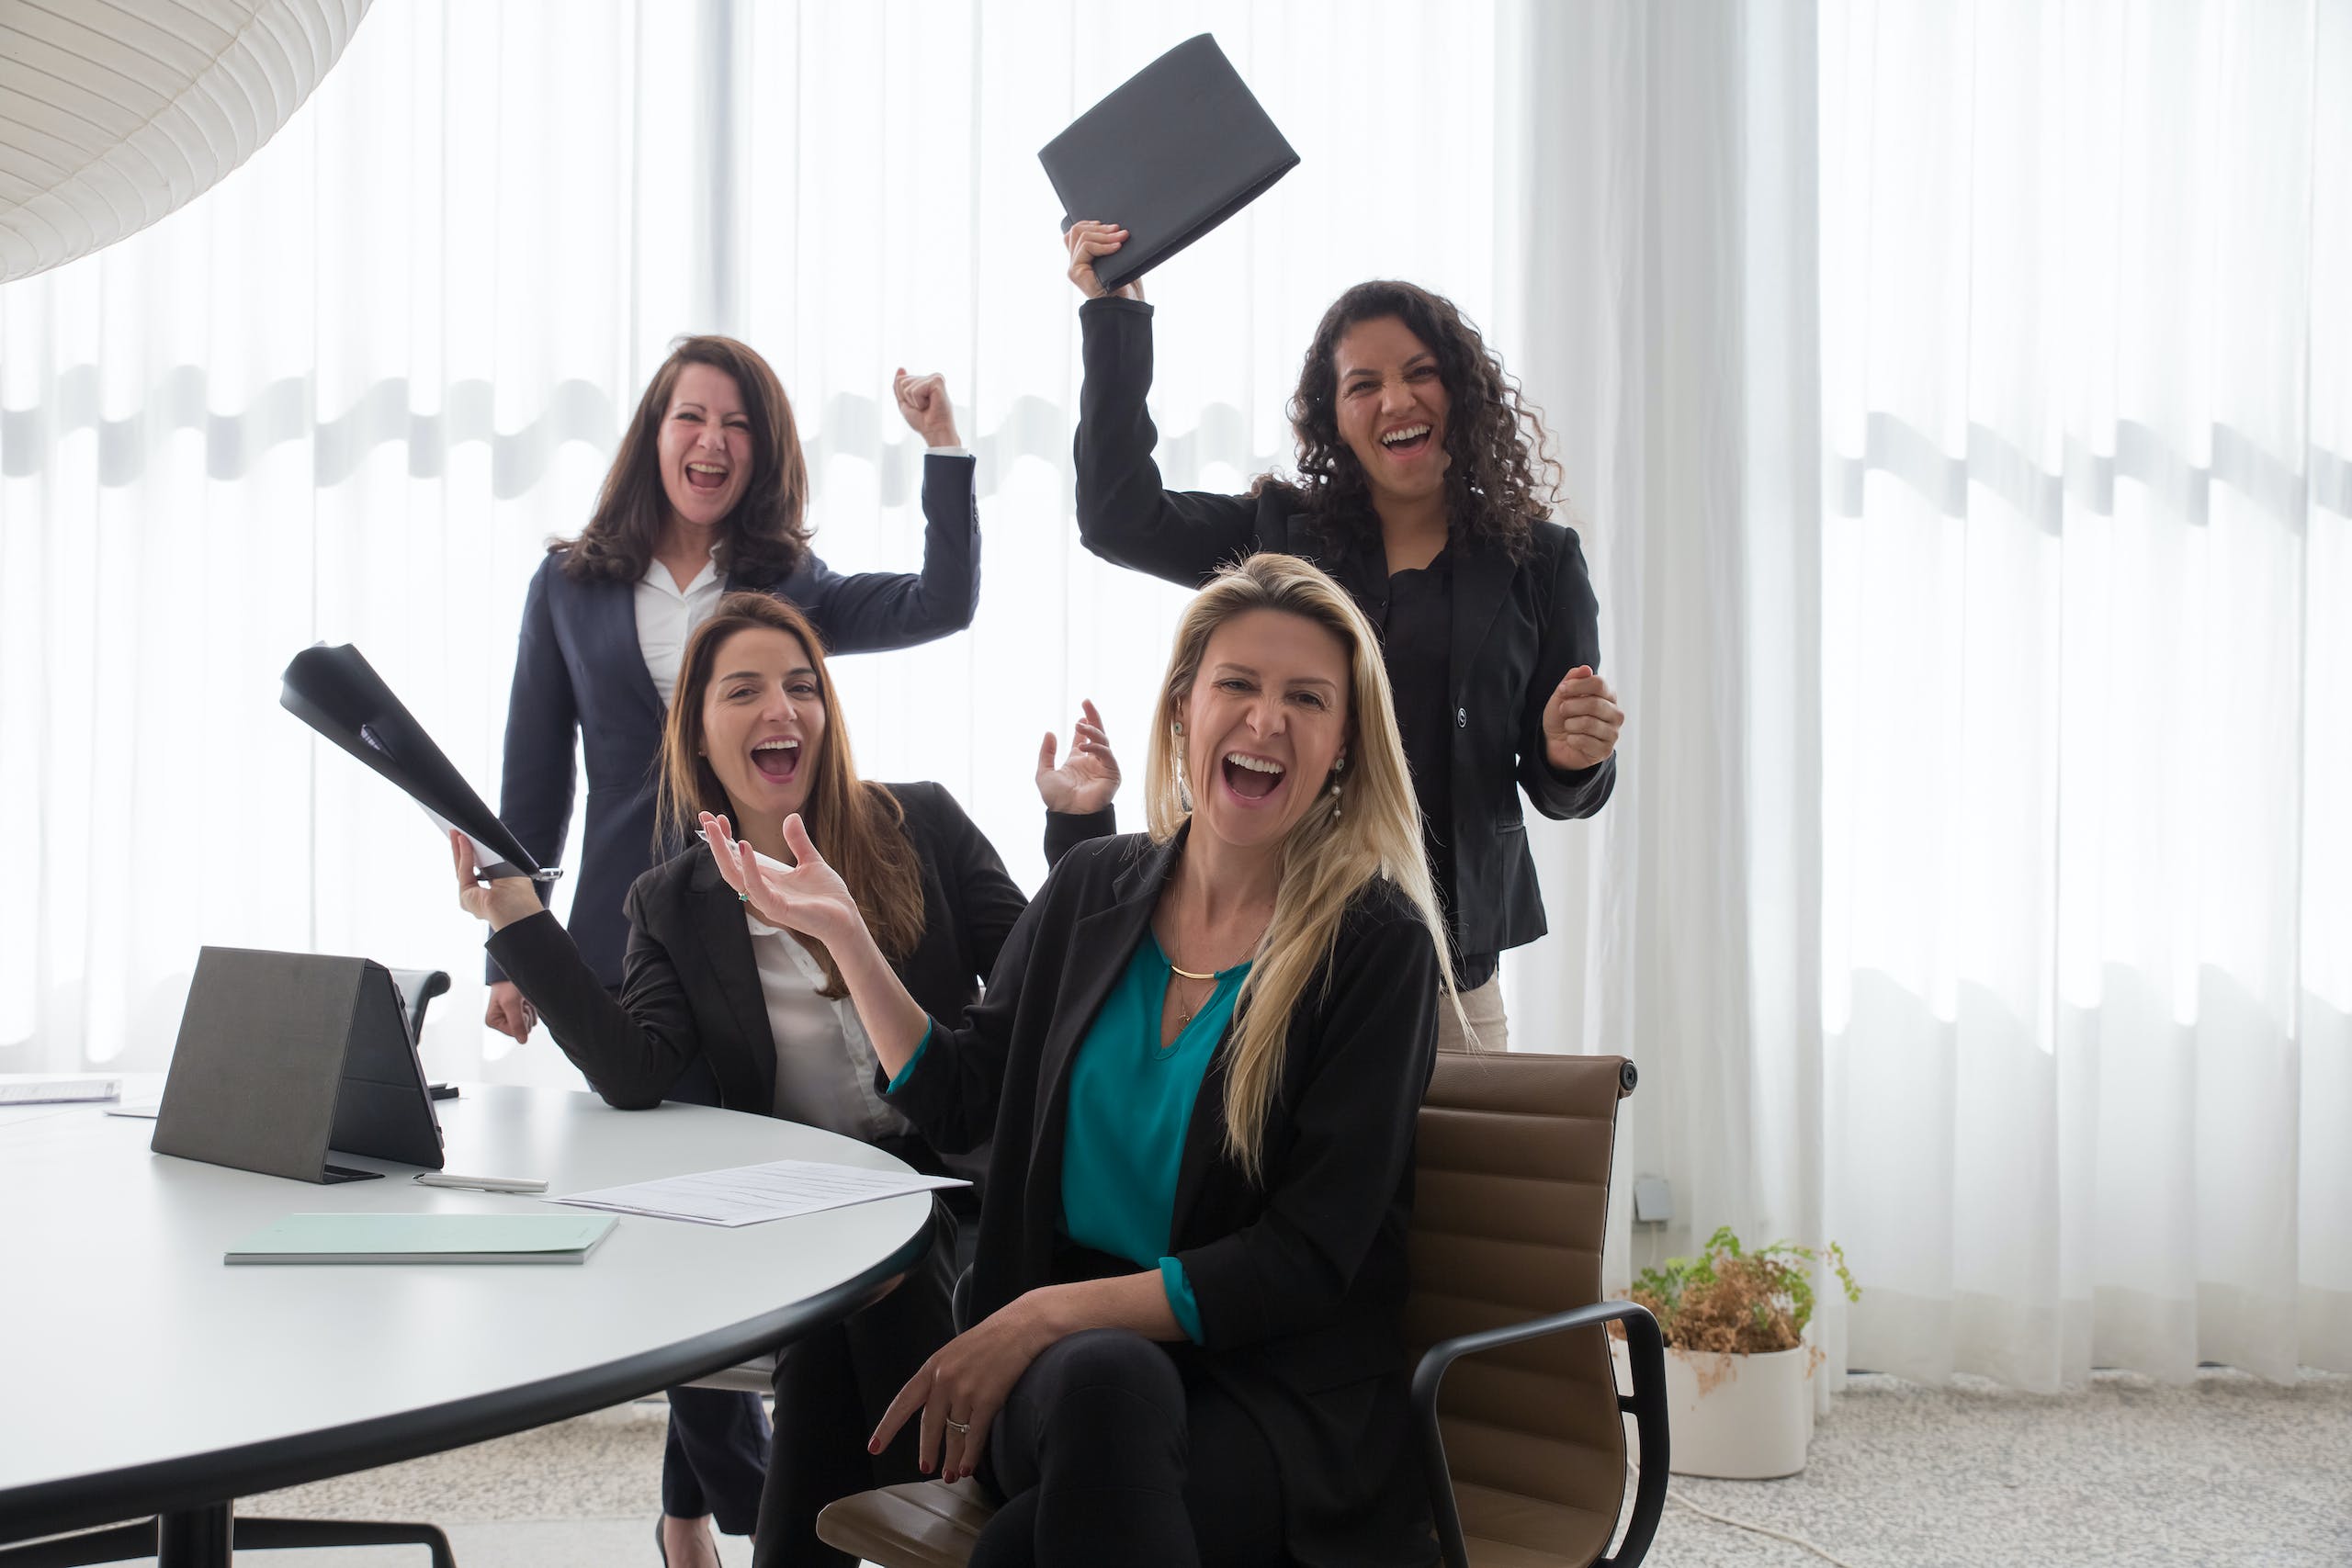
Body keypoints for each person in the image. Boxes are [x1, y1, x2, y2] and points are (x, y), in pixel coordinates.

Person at [704, 554, 1457, 1567]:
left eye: (1306, 699)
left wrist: (1040, 1316)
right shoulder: (1095, 887)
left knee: (1026, 1544)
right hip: (1063, 1383)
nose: (1265, 721)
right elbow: (962, 1097)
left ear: (1344, 746)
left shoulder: (1373, 945)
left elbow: (1304, 1262)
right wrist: (848, 937)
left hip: (1272, 1395)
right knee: (1106, 1382)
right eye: (1237, 684)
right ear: (1184, 708)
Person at [456, 592, 1119, 1568]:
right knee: (841, 1309)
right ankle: (956, 1511)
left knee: (854, 1309)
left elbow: (1046, 979)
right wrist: (518, 924)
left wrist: (1080, 826)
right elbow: (635, 1071)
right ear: (700, 733)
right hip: (809, 1210)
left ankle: (950, 1512)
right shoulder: (672, 900)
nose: (783, 709)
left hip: (954, 1184)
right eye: (746, 690)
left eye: (802, 686)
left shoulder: (919, 824)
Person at [1062, 223, 1626, 1051]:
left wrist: (1573, 755)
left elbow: (1560, 787)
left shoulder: (1540, 561)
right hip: (1276, 949)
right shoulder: (1279, 533)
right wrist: (1116, 319)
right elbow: (1118, 518)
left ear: (1460, 393)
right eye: (1364, 385)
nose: (1396, 401)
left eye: (1420, 374)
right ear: (1333, 417)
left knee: (1457, 1186)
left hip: (1450, 976)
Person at [492, 334, 981, 1032]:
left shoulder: (794, 586)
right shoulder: (567, 586)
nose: (712, 440)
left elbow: (942, 602)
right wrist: (513, 952)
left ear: (763, 450)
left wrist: (940, 441)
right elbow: (534, 778)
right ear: (654, 434)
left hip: (763, 929)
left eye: (738, 424)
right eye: (691, 416)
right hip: (618, 928)